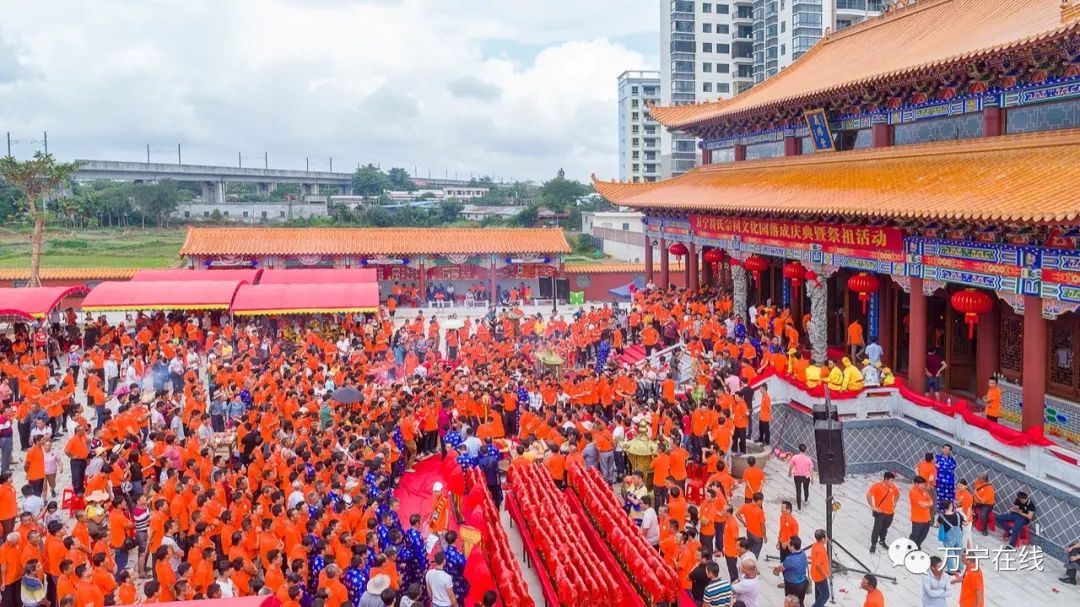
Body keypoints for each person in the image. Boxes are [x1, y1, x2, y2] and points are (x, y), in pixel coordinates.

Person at [866, 472, 900, 553]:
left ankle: (882, 541)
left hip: (890, 513)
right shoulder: (877, 486)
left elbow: (897, 494)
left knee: (885, 528)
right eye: (891, 480)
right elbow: (868, 495)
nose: (892, 482)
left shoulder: (893, 487)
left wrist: (895, 503)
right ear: (885, 480)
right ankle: (873, 544)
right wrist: (873, 507)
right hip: (880, 513)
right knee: (877, 529)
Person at [772, 535, 807, 606]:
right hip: (803, 583)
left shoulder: (790, 559)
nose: (787, 544)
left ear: (792, 547)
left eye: (789, 543)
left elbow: (781, 568)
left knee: (791, 603)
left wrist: (776, 568)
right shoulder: (803, 553)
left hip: (792, 585)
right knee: (800, 602)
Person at [936, 500, 964, 574]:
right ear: (951, 506)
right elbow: (964, 523)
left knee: (950, 553)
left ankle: (951, 570)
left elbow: (936, 524)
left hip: (949, 538)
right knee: (959, 552)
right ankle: (960, 568)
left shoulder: (942, 517)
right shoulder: (958, 515)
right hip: (959, 537)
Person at [909, 475, 934, 549]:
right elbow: (921, 504)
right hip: (917, 519)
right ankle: (909, 549)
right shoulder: (913, 492)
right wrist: (927, 503)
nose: (924, 486)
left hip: (927, 518)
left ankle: (917, 547)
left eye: (924, 484)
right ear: (916, 484)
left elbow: (931, 502)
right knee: (915, 535)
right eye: (922, 484)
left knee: (923, 535)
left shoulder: (924, 491)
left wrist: (926, 503)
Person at [808, 530, 830, 607]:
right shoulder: (821, 550)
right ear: (823, 539)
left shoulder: (815, 545)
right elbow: (818, 565)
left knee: (819, 592)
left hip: (814, 574)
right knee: (825, 594)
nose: (827, 538)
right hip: (820, 576)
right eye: (826, 537)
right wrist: (824, 575)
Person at [789, 444, 813, 510]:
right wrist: (812, 479)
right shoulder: (808, 459)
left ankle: (799, 508)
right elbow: (811, 470)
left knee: (798, 491)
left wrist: (789, 473)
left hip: (797, 476)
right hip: (806, 477)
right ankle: (805, 500)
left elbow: (791, 466)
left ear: (799, 449)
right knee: (806, 489)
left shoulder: (794, 457)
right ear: (806, 450)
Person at [934, 444, 957, 509]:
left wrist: (939, 467)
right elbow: (933, 466)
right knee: (936, 495)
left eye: (947, 449)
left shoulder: (952, 460)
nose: (945, 450)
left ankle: (946, 509)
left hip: (948, 484)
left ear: (950, 451)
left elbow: (950, 470)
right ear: (942, 449)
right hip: (937, 481)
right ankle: (936, 508)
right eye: (944, 448)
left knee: (947, 497)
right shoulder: (937, 457)